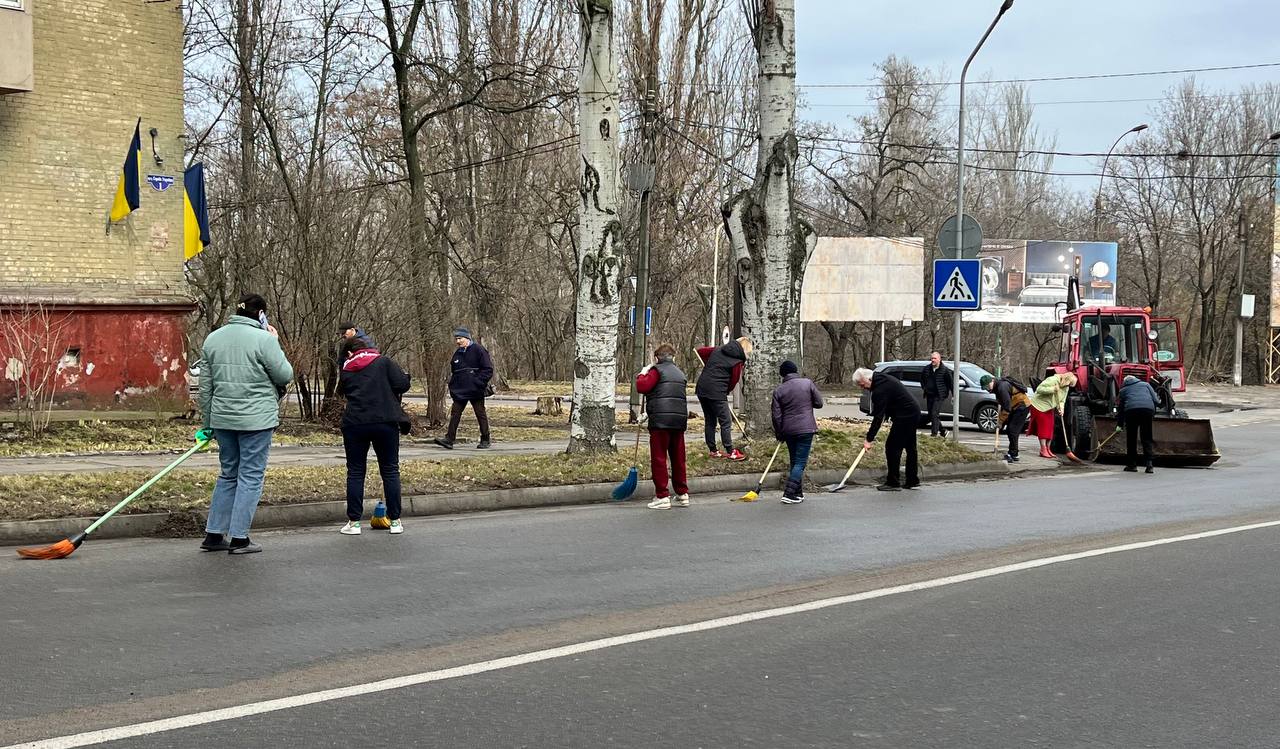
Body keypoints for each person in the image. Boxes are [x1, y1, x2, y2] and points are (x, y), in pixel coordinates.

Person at [197, 293, 294, 555]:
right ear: (261, 314)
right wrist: (275, 342)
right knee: (250, 475)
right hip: (256, 420)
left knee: (228, 473)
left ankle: (214, 534)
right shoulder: (265, 340)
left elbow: (205, 388)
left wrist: (208, 424)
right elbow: (285, 374)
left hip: (223, 419)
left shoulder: (213, 338)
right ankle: (240, 538)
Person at [337, 336, 411, 535]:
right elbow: (403, 384)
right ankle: (395, 521)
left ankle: (354, 523)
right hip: (385, 421)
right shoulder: (384, 362)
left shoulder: (346, 368)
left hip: (355, 423)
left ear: (349, 353)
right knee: (390, 470)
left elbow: (342, 391)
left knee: (355, 472)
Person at [635, 343, 689, 510]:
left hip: (660, 421)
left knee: (659, 458)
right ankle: (682, 493)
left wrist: (642, 374)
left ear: (657, 358)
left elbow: (642, 386)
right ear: (673, 357)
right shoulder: (680, 373)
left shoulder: (656, 371)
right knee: (678, 458)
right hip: (678, 420)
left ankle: (662, 496)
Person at [854, 367, 919, 492]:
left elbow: (878, 417)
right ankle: (912, 480)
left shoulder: (880, 389)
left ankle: (893, 482)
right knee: (910, 447)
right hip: (912, 412)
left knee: (892, 447)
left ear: (868, 379)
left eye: (862, 385)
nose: (863, 388)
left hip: (905, 416)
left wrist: (869, 439)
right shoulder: (881, 379)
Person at [771, 360, 824, 504]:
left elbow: (776, 416)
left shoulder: (779, 390)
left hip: (788, 430)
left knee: (794, 461)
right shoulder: (807, 383)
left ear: (782, 374)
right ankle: (789, 493)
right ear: (796, 371)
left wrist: (779, 433)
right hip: (806, 428)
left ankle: (797, 493)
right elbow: (819, 403)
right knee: (800, 463)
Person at [434, 328, 494, 450]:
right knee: (455, 413)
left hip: (475, 390)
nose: (457, 341)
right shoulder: (457, 354)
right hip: (460, 391)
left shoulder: (479, 350)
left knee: (480, 413)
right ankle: (449, 439)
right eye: (456, 339)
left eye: (460, 338)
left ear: (467, 338)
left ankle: (485, 439)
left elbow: (488, 369)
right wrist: (453, 385)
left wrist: (477, 382)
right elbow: (454, 371)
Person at [695, 336, 751, 461]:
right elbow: (733, 381)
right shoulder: (737, 361)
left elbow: (701, 351)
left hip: (702, 388)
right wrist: (725, 391)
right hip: (717, 391)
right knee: (726, 421)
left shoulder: (718, 350)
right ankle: (730, 451)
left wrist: (710, 364)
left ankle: (713, 450)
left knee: (710, 420)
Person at [1028, 372, 1078, 459]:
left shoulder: (1065, 387)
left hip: (1049, 407)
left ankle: (1048, 449)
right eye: (1069, 384)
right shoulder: (1053, 380)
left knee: (1050, 428)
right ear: (1066, 380)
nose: (1069, 386)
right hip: (1039, 405)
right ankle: (1043, 449)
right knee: (1044, 428)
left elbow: (1062, 400)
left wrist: (1061, 408)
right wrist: (1052, 389)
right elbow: (1039, 389)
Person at [982, 374, 1030, 463]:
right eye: (985, 388)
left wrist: (1000, 422)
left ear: (992, 381)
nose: (987, 389)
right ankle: (1013, 453)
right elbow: (1004, 405)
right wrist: (1001, 422)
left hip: (1021, 406)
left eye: (987, 386)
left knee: (1012, 430)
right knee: (1009, 430)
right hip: (1014, 407)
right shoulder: (997, 387)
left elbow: (1007, 408)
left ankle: (1014, 454)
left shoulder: (1002, 387)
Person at [1116, 374, 1159, 474]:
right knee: (1146, 438)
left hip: (1131, 412)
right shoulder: (1146, 384)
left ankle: (1132, 465)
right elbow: (1156, 400)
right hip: (1147, 411)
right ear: (1136, 379)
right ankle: (1149, 465)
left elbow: (1121, 409)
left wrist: (1120, 424)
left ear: (1124, 382)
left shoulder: (1123, 390)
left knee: (1131, 439)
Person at [920, 352, 953, 438]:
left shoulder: (944, 370)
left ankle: (934, 434)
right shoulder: (927, 369)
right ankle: (943, 431)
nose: (933, 360)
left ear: (939, 359)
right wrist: (925, 388)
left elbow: (950, 383)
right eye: (932, 358)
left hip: (939, 395)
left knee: (934, 413)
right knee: (931, 414)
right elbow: (922, 379)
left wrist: (954, 395)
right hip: (929, 394)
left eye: (935, 358)